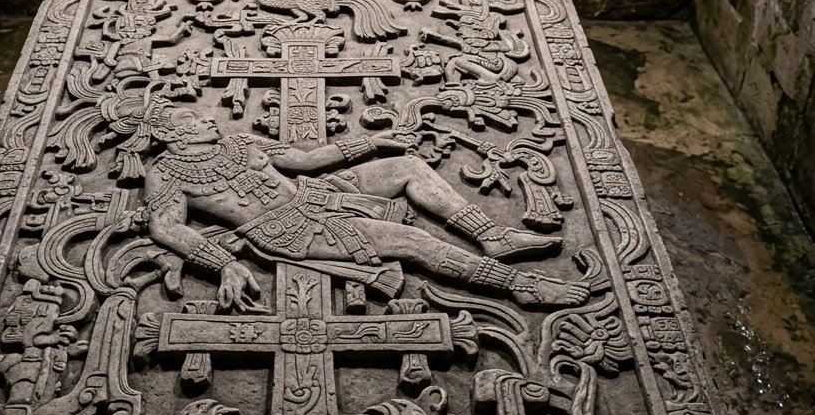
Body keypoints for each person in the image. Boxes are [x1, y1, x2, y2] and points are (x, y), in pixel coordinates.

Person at [138, 97, 589, 312]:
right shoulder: (167, 171)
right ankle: (520, 285)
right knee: (414, 242)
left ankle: (492, 236)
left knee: (406, 166)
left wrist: (370, 142)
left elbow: (304, 160)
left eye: (201, 113)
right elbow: (166, 228)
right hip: (289, 231)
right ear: (168, 134)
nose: (207, 117)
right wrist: (224, 265)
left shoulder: (239, 142)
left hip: (318, 193)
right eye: (191, 118)